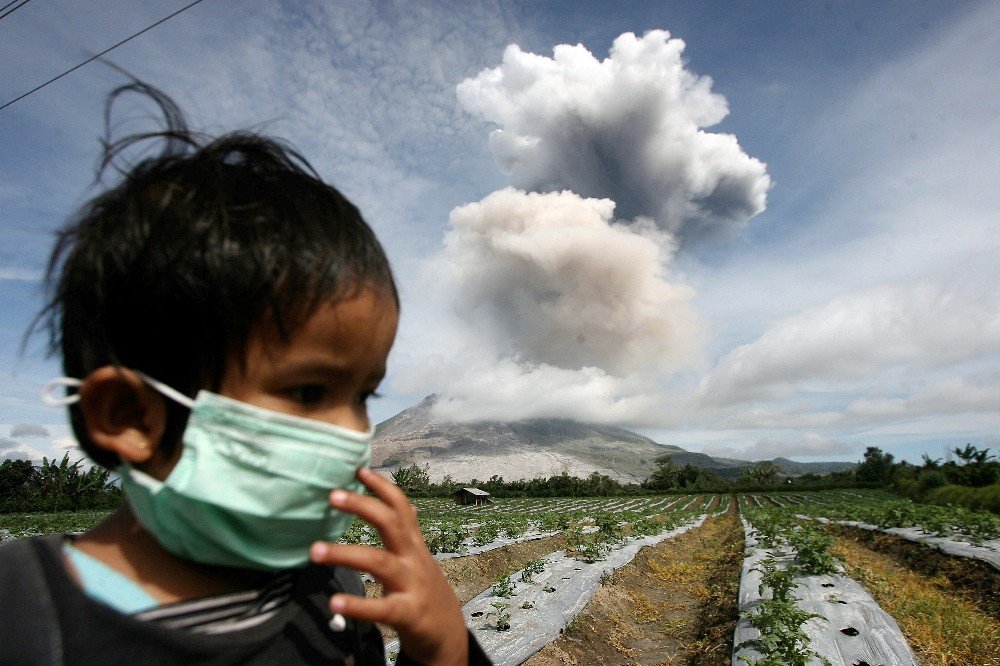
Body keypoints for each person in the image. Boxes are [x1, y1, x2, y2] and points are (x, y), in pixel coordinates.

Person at [0, 81, 490, 665]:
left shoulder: (334, 592)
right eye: (310, 391)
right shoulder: (23, 619)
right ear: (130, 415)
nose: (352, 435)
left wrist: (442, 649)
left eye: (363, 395)